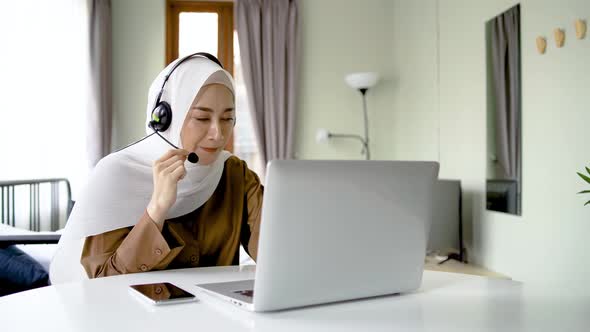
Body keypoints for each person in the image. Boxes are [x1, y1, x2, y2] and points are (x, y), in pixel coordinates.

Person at [49, 54, 262, 282]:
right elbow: (102, 282)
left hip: (216, 316)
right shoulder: (115, 175)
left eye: (227, 119)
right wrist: (156, 210)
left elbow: (276, 253)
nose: (218, 134)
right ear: (165, 119)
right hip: (133, 317)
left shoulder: (235, 173)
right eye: (201, 118)